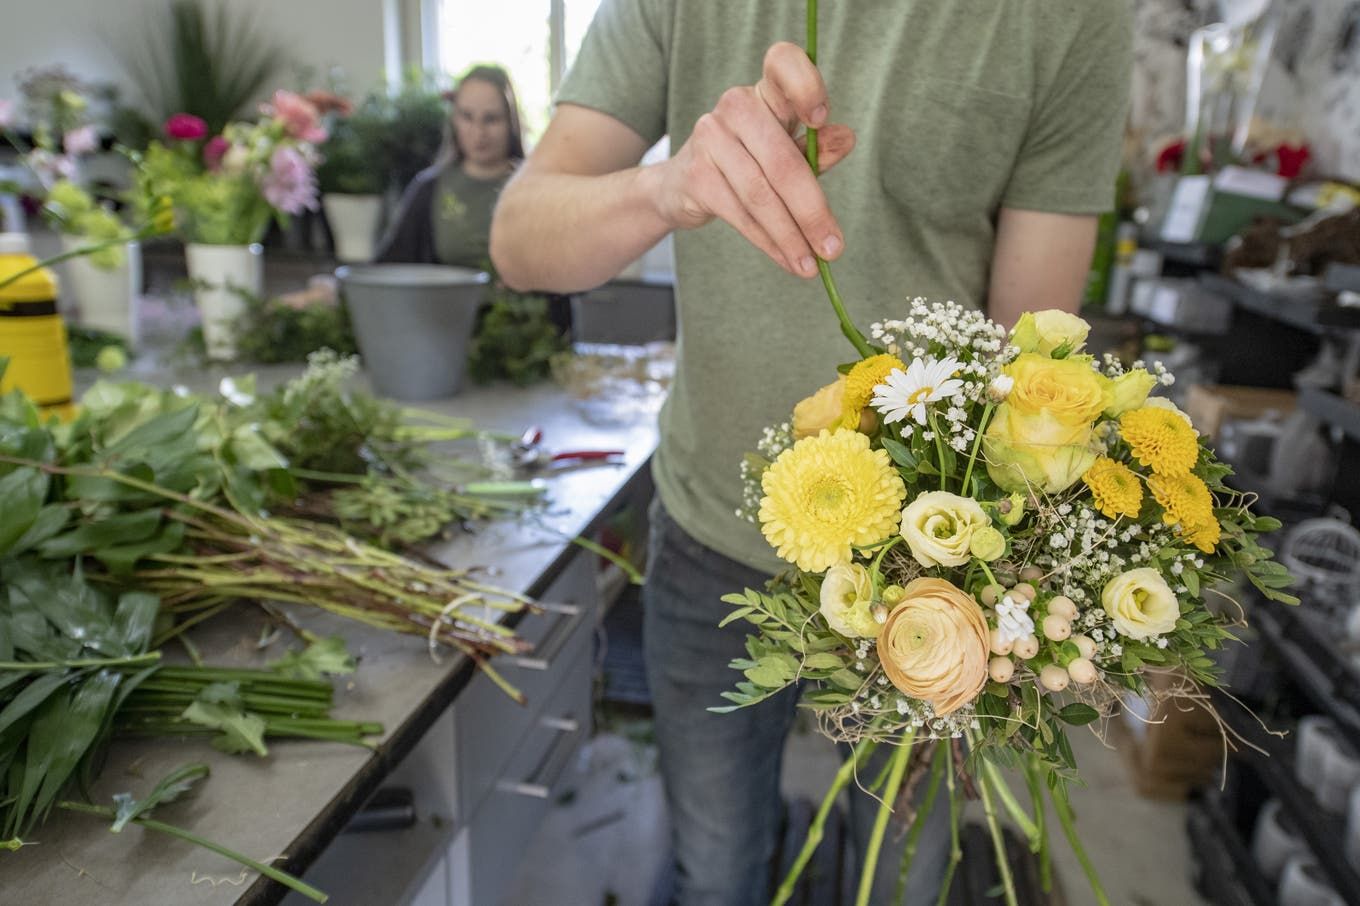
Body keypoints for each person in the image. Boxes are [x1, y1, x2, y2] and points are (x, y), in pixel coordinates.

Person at [491, 3, 1133, 904]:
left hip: (928, 570)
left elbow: (1030, 362)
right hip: (710, 532)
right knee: (715, 874)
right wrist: (667, 186)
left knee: (904, 883)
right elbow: (519, 240)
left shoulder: (1069, 20)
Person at [375, 64, 525, 267]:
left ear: (511, 121)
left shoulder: (534, 190)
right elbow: (387, 265)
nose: (479, 132)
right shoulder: (428, 189)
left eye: (491, 119)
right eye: (467, 117)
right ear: (454, 119)